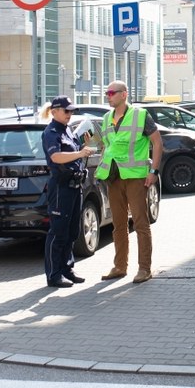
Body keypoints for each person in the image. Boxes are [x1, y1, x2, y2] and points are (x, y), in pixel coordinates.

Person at [96, 81, 163, 284]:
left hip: (135, 177)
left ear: (124, 94)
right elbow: (105, 145)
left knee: (141, 223)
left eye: (111, 93)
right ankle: (120, 266)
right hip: (114, 178)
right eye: (106, 92)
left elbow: (158, 143)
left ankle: (144, 268)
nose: (108, 96)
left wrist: (153, 171)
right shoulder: (107, 118)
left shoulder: (140, 115)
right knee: (118, 225)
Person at [41, 96, 95, 288]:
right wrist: (80, 153)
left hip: (75, 185)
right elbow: (56, 156)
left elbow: (71, 155)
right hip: (61, 188)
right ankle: (54, 275)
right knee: (58, 232)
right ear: (54, 111)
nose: (69, 115)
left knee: (72, 231)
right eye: (66, 111)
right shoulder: (51, 132)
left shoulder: (68, 130)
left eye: (71, 111)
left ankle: (67, 269)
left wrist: (82, 147)